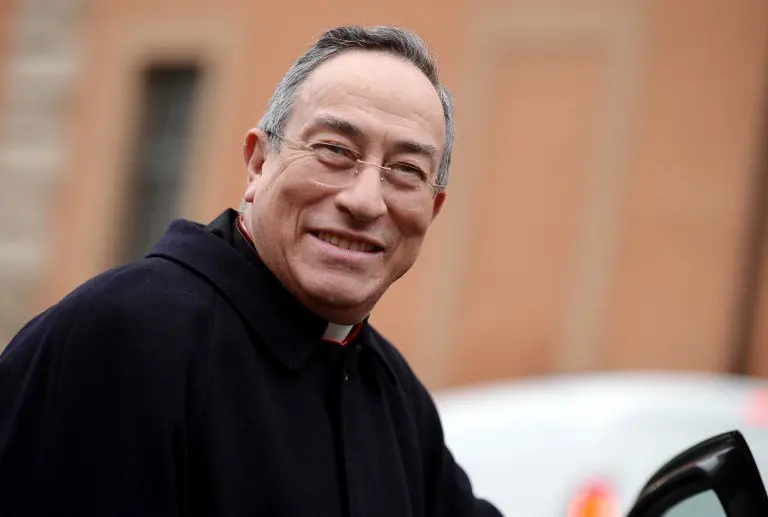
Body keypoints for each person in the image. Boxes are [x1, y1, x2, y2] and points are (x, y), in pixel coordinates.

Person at [0, 25, 502, 517]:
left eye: (407, 171)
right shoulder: (121, 335)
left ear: (432, 211)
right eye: (335, 151)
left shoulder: (393, 395)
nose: (366, 201)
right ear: (259, 164)